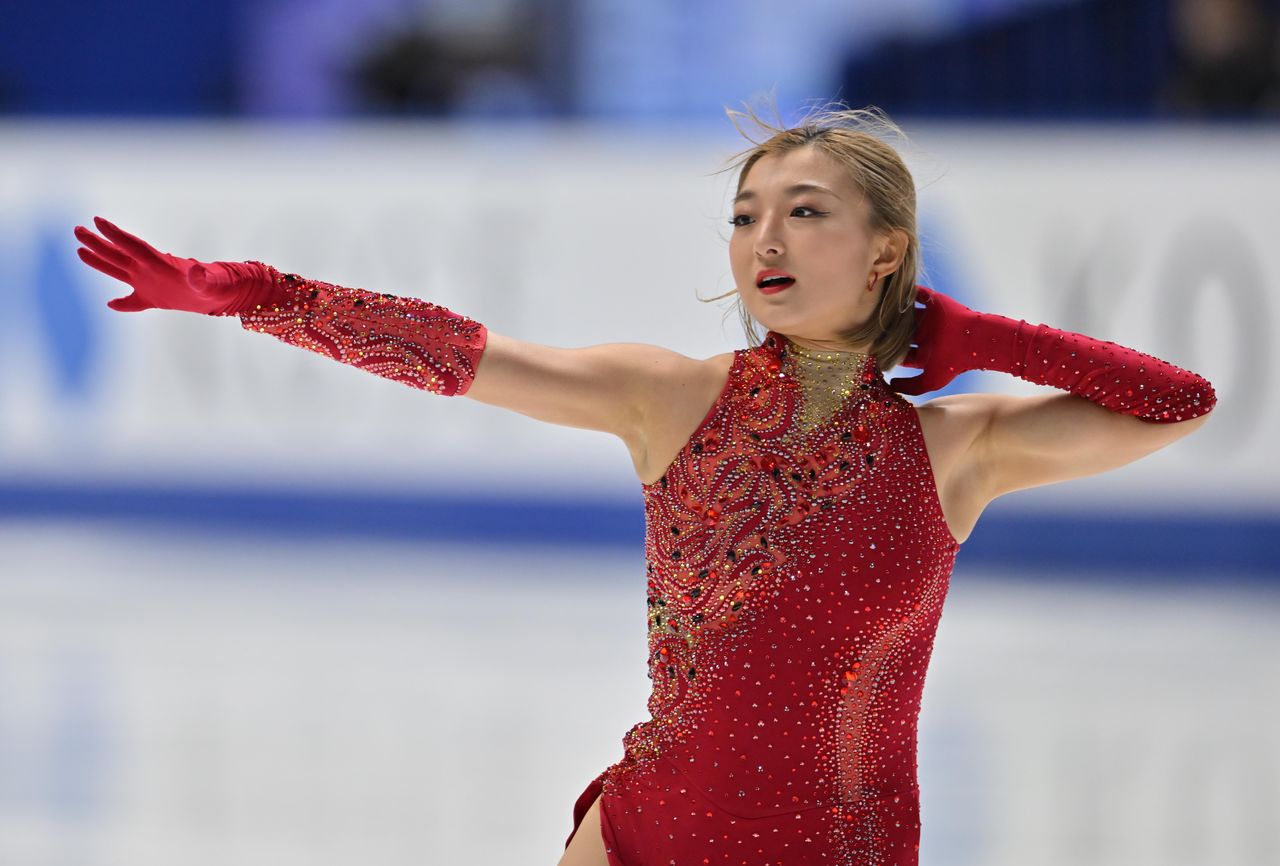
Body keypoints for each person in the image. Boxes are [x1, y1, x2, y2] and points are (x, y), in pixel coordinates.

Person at [72, 103, 1216, 866]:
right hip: (645, 834)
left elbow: (1178, 402)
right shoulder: (672, 397)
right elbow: (464, 354)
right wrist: (261, 294)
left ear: (884, 247)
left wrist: (981, 335)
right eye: (742, 215)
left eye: (802, 211)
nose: (761, 237)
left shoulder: (953, 446)